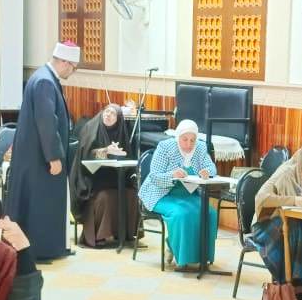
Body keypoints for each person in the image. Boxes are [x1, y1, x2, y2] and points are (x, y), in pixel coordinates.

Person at [6, 41, 80, 263]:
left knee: (40, 203)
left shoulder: (42, 77)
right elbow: (47, 122)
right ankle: (39, 250)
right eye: (73, 67)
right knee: (40, 205)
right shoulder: (45, 82)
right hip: (39, 159)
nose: (73, 72)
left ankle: (47, 248)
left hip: (36, 156)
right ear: (65, 62)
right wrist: (54, 156)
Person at [249, 143, 302, 291]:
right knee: (296, 227)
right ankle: (298, 278)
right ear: (301, 162)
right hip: (266, 224)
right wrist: (293, 200)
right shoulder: (286, 173)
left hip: (294, 223)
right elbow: (261, 198)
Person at [138, 119, 218, 269]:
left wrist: (207, 172)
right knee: (181, 214)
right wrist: (172, 174)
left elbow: (212, 168)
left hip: (187, 194)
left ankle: (202, 257)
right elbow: (155, 176)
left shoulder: (200, 147)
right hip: (161, 193)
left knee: (210, 213)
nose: (189, 144)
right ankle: (181, 256)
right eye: (185, 139)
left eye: (192, 140)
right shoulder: (165, 147)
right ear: (178, 137)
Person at [68, 104, 137, 248]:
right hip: (91, 179)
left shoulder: (120, 131)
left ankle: (125, 234)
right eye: (106, 111)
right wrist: (106, 150)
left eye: (113, 113)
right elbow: (87, 155)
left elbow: (127, 155)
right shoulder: (91, 128)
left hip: (114, 178)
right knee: (105, 196)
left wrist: (121, 154)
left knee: (131, 194)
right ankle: (99, 235)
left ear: (118, 119)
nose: (108, 115)